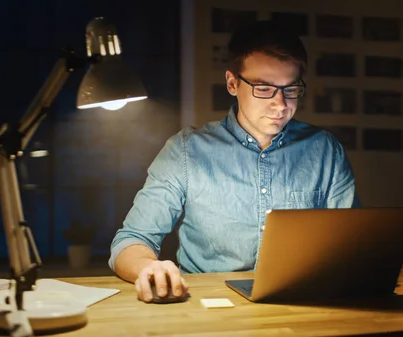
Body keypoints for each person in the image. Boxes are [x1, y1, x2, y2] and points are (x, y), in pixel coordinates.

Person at [109, 20, 360, 303]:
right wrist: (148, 267)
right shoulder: (186, 151)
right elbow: (130, 241)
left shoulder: (325, 150)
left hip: (304, 306)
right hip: (210, 309)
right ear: (232, 83)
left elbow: (352, 247)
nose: (280, 104)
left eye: (290, 89)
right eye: (264, 89)